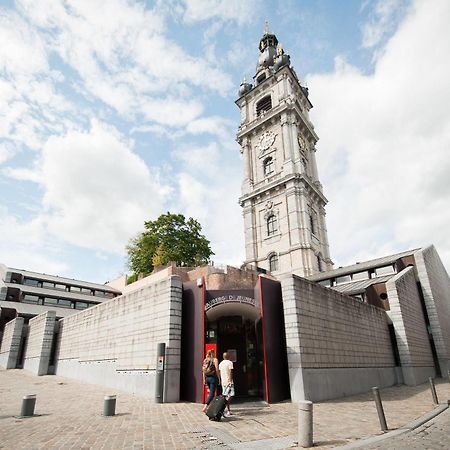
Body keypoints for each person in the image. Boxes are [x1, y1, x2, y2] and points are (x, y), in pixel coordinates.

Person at [202, 349, 219, 413]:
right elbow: (217, 370)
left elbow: (203, 371)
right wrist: (219, 378)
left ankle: (210, 407)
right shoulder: (215, 360)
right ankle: (205, 406)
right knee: (212, 393)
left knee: (210, 394)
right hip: (213, 378)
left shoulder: (205, 360)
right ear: (213, 353)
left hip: (207, 378)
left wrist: (204, 380)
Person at [218, 352, 234, 417]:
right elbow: (231, 372)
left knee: (226, 395)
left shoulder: (220, 363)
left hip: (223, 382)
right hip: (229, 382)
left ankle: (228, 411)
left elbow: (219, 372)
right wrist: (230, 380)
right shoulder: (230, 363)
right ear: (228, 356)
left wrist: (220, 380)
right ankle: (223, 407)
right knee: (231, 395)